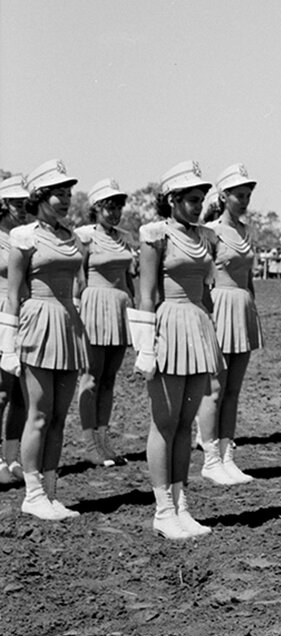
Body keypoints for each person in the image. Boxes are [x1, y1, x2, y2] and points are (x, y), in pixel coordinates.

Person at [130, 161, 221, 540]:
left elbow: (207, 287)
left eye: (201, 199)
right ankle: (162, 509)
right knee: (165, 423)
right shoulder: (156, 235)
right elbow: (146, 293)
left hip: (196, 326)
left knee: (186, 424)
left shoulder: (206, 237)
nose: (198, 205)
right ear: (171, 199)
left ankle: (181, 504)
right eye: (191, 199)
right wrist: (145, 347)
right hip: (167, 326)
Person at [0, 160, 87, 520]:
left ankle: (50, 492)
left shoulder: (73, 236)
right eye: (58, 194)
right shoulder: (24, 237)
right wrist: (8, 346)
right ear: (40, 197)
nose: (65, 200)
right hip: (37, 323)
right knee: (38, 412)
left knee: (58, 416)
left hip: (68, 325)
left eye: (68, 193)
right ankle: (32, 493)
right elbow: (13, 293)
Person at [197, 165, 263, 485]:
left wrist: (253, 307)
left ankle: (227, 456)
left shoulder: (249, 231)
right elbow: (199, 278)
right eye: (239, 195)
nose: (245, 200)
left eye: (248, 195)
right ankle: (210, 459)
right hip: (218, 307)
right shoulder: (209, 231)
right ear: (223, 196)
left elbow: (249, 279)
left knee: (233, 390)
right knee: (215, 388)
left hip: (243, 308)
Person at [76, 178, 135, 467]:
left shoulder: (125, 237)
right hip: (94, 307)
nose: (114, 213)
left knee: (110, 379)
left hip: (120, 307)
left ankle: (103, 441)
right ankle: (89, 444)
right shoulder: (85, 237)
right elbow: (78, 278)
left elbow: (130, 278)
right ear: (96, 208)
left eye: (118, 207)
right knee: (91, 378)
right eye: (109, 207)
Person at [0, 174, 30, 484]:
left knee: (22, 392)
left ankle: (12, 457)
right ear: (4, 205)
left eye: (26, 204)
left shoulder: (29, 237)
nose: (22, 210)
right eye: (17, 205)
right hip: (1, 316)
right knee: (1, 392)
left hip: (26, 314)